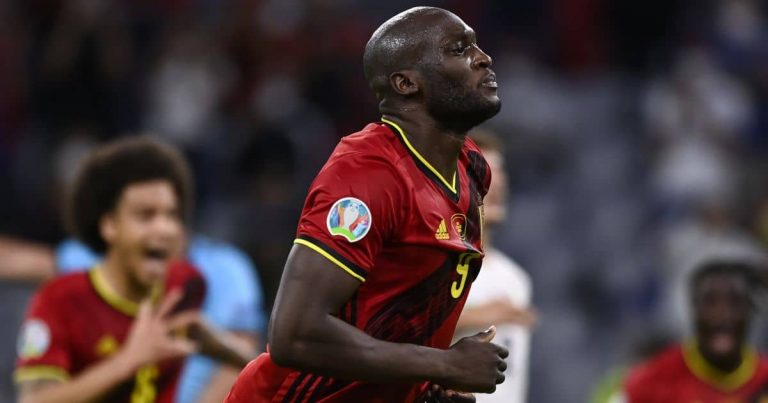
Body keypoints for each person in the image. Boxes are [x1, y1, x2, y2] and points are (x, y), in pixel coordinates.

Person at [226, 6, 507, 403]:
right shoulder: (367, 174)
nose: (483, 58)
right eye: (458, 49)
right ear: (406, 83)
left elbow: (395, 319)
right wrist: (442, 365)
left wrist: (420, 389)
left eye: (475, 45)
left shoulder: (472, 167)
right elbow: (294, 334)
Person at [14, 137, 252, 403]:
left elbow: (229, 353)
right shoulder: (59, 299)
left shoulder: (186, 284)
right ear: (109, 225)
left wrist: (219, 345)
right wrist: (129, 361)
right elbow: (33, 400)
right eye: (146, 215)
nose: (165, 229)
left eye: (172, 215)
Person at [452, 130, 536, 403]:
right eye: (485, 172)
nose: (498, 182)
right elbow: (398, 335)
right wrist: (478, 316)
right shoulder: (434, 266)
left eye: (500, 170)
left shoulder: (515, 279)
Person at [620, 260, 768, 402]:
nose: (722, 316)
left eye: (734, 302)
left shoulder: (764, 379)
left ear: (751, 310)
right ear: (693, 309)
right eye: (710, 302)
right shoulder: (651, 382)